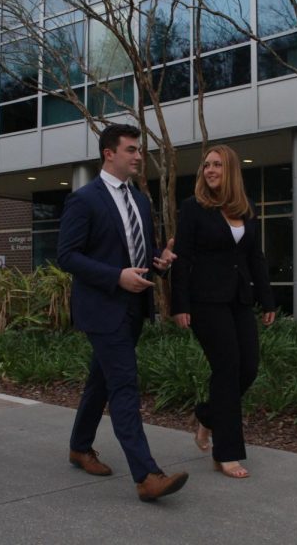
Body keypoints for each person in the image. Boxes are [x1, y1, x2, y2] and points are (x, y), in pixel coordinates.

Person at [57, 123, 188, 502]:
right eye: (131, 149)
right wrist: (116, 276)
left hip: (133, 309)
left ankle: (80, 447)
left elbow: (138, 256)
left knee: (101, 381)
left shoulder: (141, 201)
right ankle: (147, 475)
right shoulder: (84, 199)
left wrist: (159, 263)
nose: (138, 156)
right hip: (101, 309)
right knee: (125, 384)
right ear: (108, 153)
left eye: (139, 150)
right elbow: (67, 256)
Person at [171, 144, 276, 479]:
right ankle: (226, 453)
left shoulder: (245, 208)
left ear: (230, 169)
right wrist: (180, 304)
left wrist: (267, 299)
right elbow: (183, 258)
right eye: (206, 165)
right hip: (205, 302)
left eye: (217, 165)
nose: (210, 170)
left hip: (239, 300)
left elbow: (254, 258)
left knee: (248, 367)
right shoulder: (193, 208)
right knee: (228, 368)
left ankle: (206, 416)